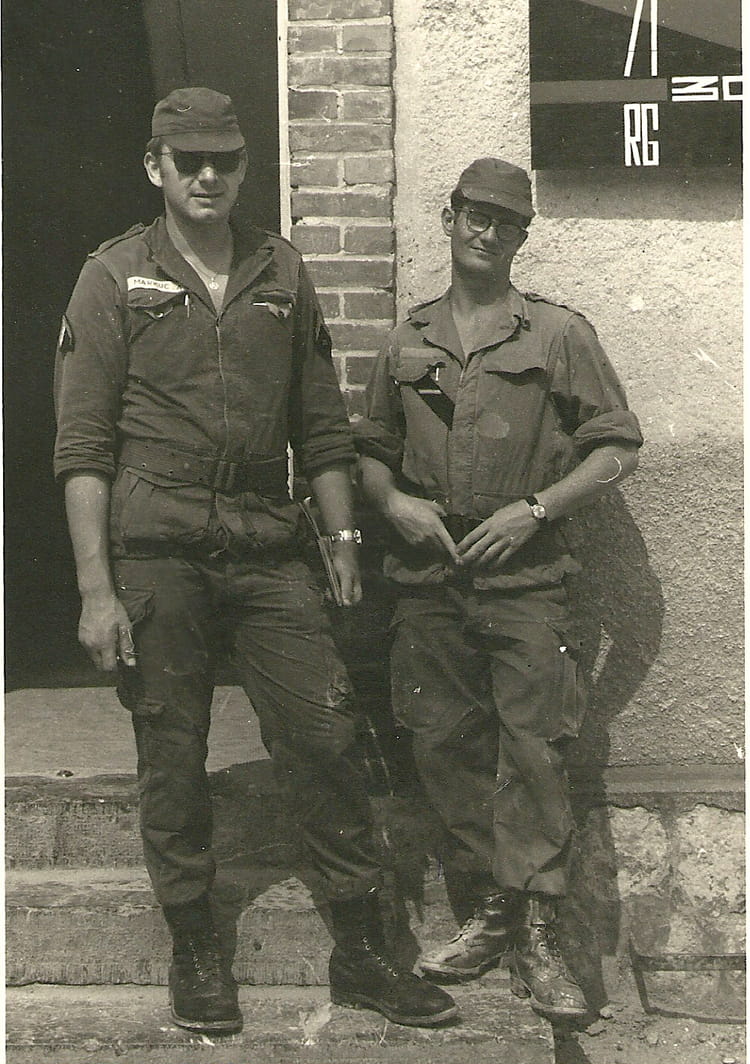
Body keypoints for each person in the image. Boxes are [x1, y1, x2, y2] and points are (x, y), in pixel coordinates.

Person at [53, 86, 457, 1035]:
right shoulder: (112, 276)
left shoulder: (283, 271)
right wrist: (95, 591)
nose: (207, 176)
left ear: (243, 168)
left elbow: (320, 427)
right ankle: (196, 947)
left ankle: (361, 950)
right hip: (158, 548)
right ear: (154, 167)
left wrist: (343, 540)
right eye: (187, 160)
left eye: (224, 161)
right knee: (173, 750)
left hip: (266, 540)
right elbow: (83, 450)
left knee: (325, 733)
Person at [354, 157, 643, 1019]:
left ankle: (543, 936)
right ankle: (494, 912)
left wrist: (535, 510)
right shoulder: (406, 340)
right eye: (474, 215)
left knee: (533, 752)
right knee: (441, 745)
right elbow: (369, 450)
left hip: (526, 579)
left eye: (506, 223)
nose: (487, 232)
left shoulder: (557, 334)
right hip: (428, 581)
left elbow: (616, 449)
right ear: (449, 219)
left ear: (522, 238)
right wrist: (392, 502)